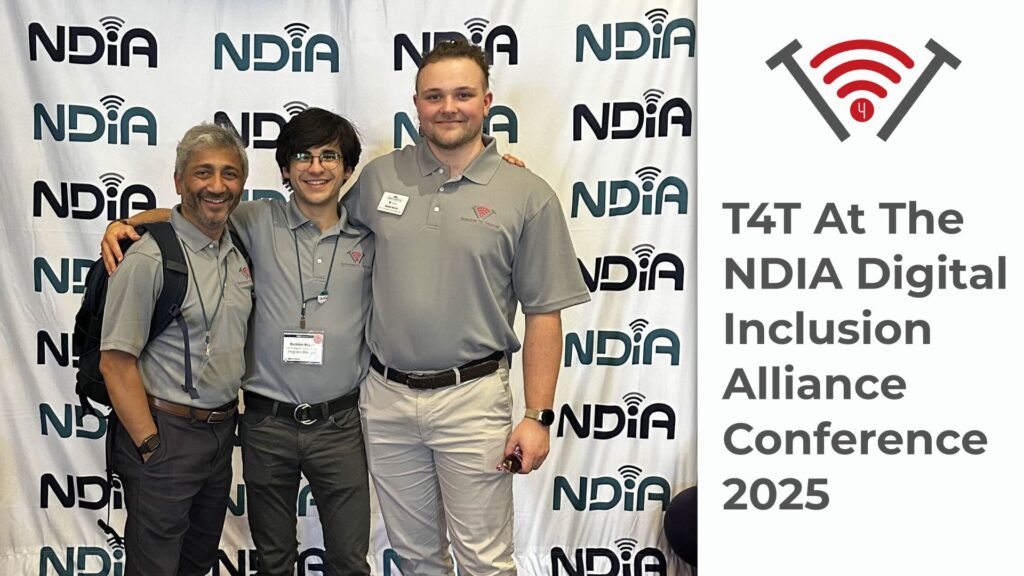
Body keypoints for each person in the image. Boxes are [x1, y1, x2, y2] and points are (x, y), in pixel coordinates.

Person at [344, 39, 590, 575]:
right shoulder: (379, 179)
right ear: (416, 104)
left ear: (486, 102)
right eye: (434, 96)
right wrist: (158, 224)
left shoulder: (526, 193)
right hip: (384, 400)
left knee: (484, 560)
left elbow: (545, 313)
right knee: (414, 558)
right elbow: (309, 229)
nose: (448, 107)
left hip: (472, 401)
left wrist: (537, 416)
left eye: (462, 94)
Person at [102, 108, 373, 576]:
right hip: (265, 424)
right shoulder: (252, 220)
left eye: (330, 156)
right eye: (303, 156)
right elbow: (190, 212)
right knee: (271, 561)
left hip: (338, 423)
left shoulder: (371, 232)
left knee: (348, 560)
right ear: (284, 169)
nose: (316, 167)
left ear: (348, 170)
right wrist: (125, 223)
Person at [100, 123, 252, 576]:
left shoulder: (238, 247)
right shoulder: (148, 257)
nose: (217, 186)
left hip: (221, 433)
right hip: (165, 430)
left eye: (229, 174)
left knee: (196, 561)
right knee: (154, 566)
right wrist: (151, 445)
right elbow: (115, 362)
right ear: (179, 180)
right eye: (203, 173)